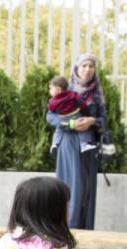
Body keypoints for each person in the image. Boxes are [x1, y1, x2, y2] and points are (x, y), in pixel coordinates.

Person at [47, 53, 110, 229]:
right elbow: (50, 116)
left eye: (91, 66)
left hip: (88, 146)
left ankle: (84, 229)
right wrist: (71, 123)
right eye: (84, 65)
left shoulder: (97, 95)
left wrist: (91, 121)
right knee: (67, 184)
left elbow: (103, 120)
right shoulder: (65, 91)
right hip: (67, 143)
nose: (87, 69)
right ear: (76, 68)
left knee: (86, 188)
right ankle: (64, 229)